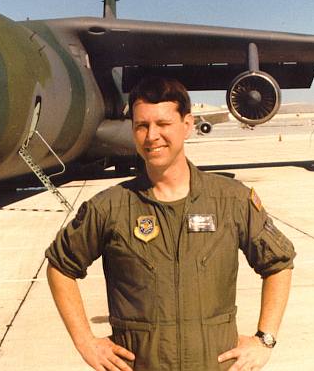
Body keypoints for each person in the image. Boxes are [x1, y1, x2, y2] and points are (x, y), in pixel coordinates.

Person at [45, 76, 295, 371]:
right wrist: (85, 341)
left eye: (163, 124)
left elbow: (278, 263)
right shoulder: (109, 207)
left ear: (186, 125)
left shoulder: (231, 200)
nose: (152, 136)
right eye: (142, 126)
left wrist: (264, 339)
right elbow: (60, 266)